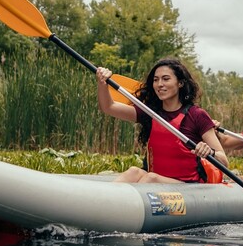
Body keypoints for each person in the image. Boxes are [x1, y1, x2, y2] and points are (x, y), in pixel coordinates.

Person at [96, 57, 228, 184]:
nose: (159, 84)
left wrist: (210, 152)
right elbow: (109, 107)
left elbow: (224, 161)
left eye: (166, 79)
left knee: (151, 178)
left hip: (187, 185)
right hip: (156, 180)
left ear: (180, 83)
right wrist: (102, 83)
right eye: (155, 80)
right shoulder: (150, 112)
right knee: (134, 172)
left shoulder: (197, 115)